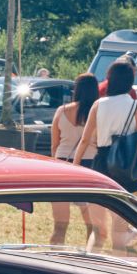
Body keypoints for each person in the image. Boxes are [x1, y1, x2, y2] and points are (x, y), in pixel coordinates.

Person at [76, 59, 137, 249]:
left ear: (110, 79)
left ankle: (91, 270)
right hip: (126, 165)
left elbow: (85, 140)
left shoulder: (99, 104)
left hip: (101, 163)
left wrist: (75, 166)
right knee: (120, 229)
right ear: (130, 81)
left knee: (98, 230)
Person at [49, 72, 101, 244]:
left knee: (59, 226)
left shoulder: (61, 110)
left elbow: (54, 144)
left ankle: (54, 261)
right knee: (91, 226)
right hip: (89, 164)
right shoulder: (97, 113)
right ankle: (89, 259)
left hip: (61, 163)